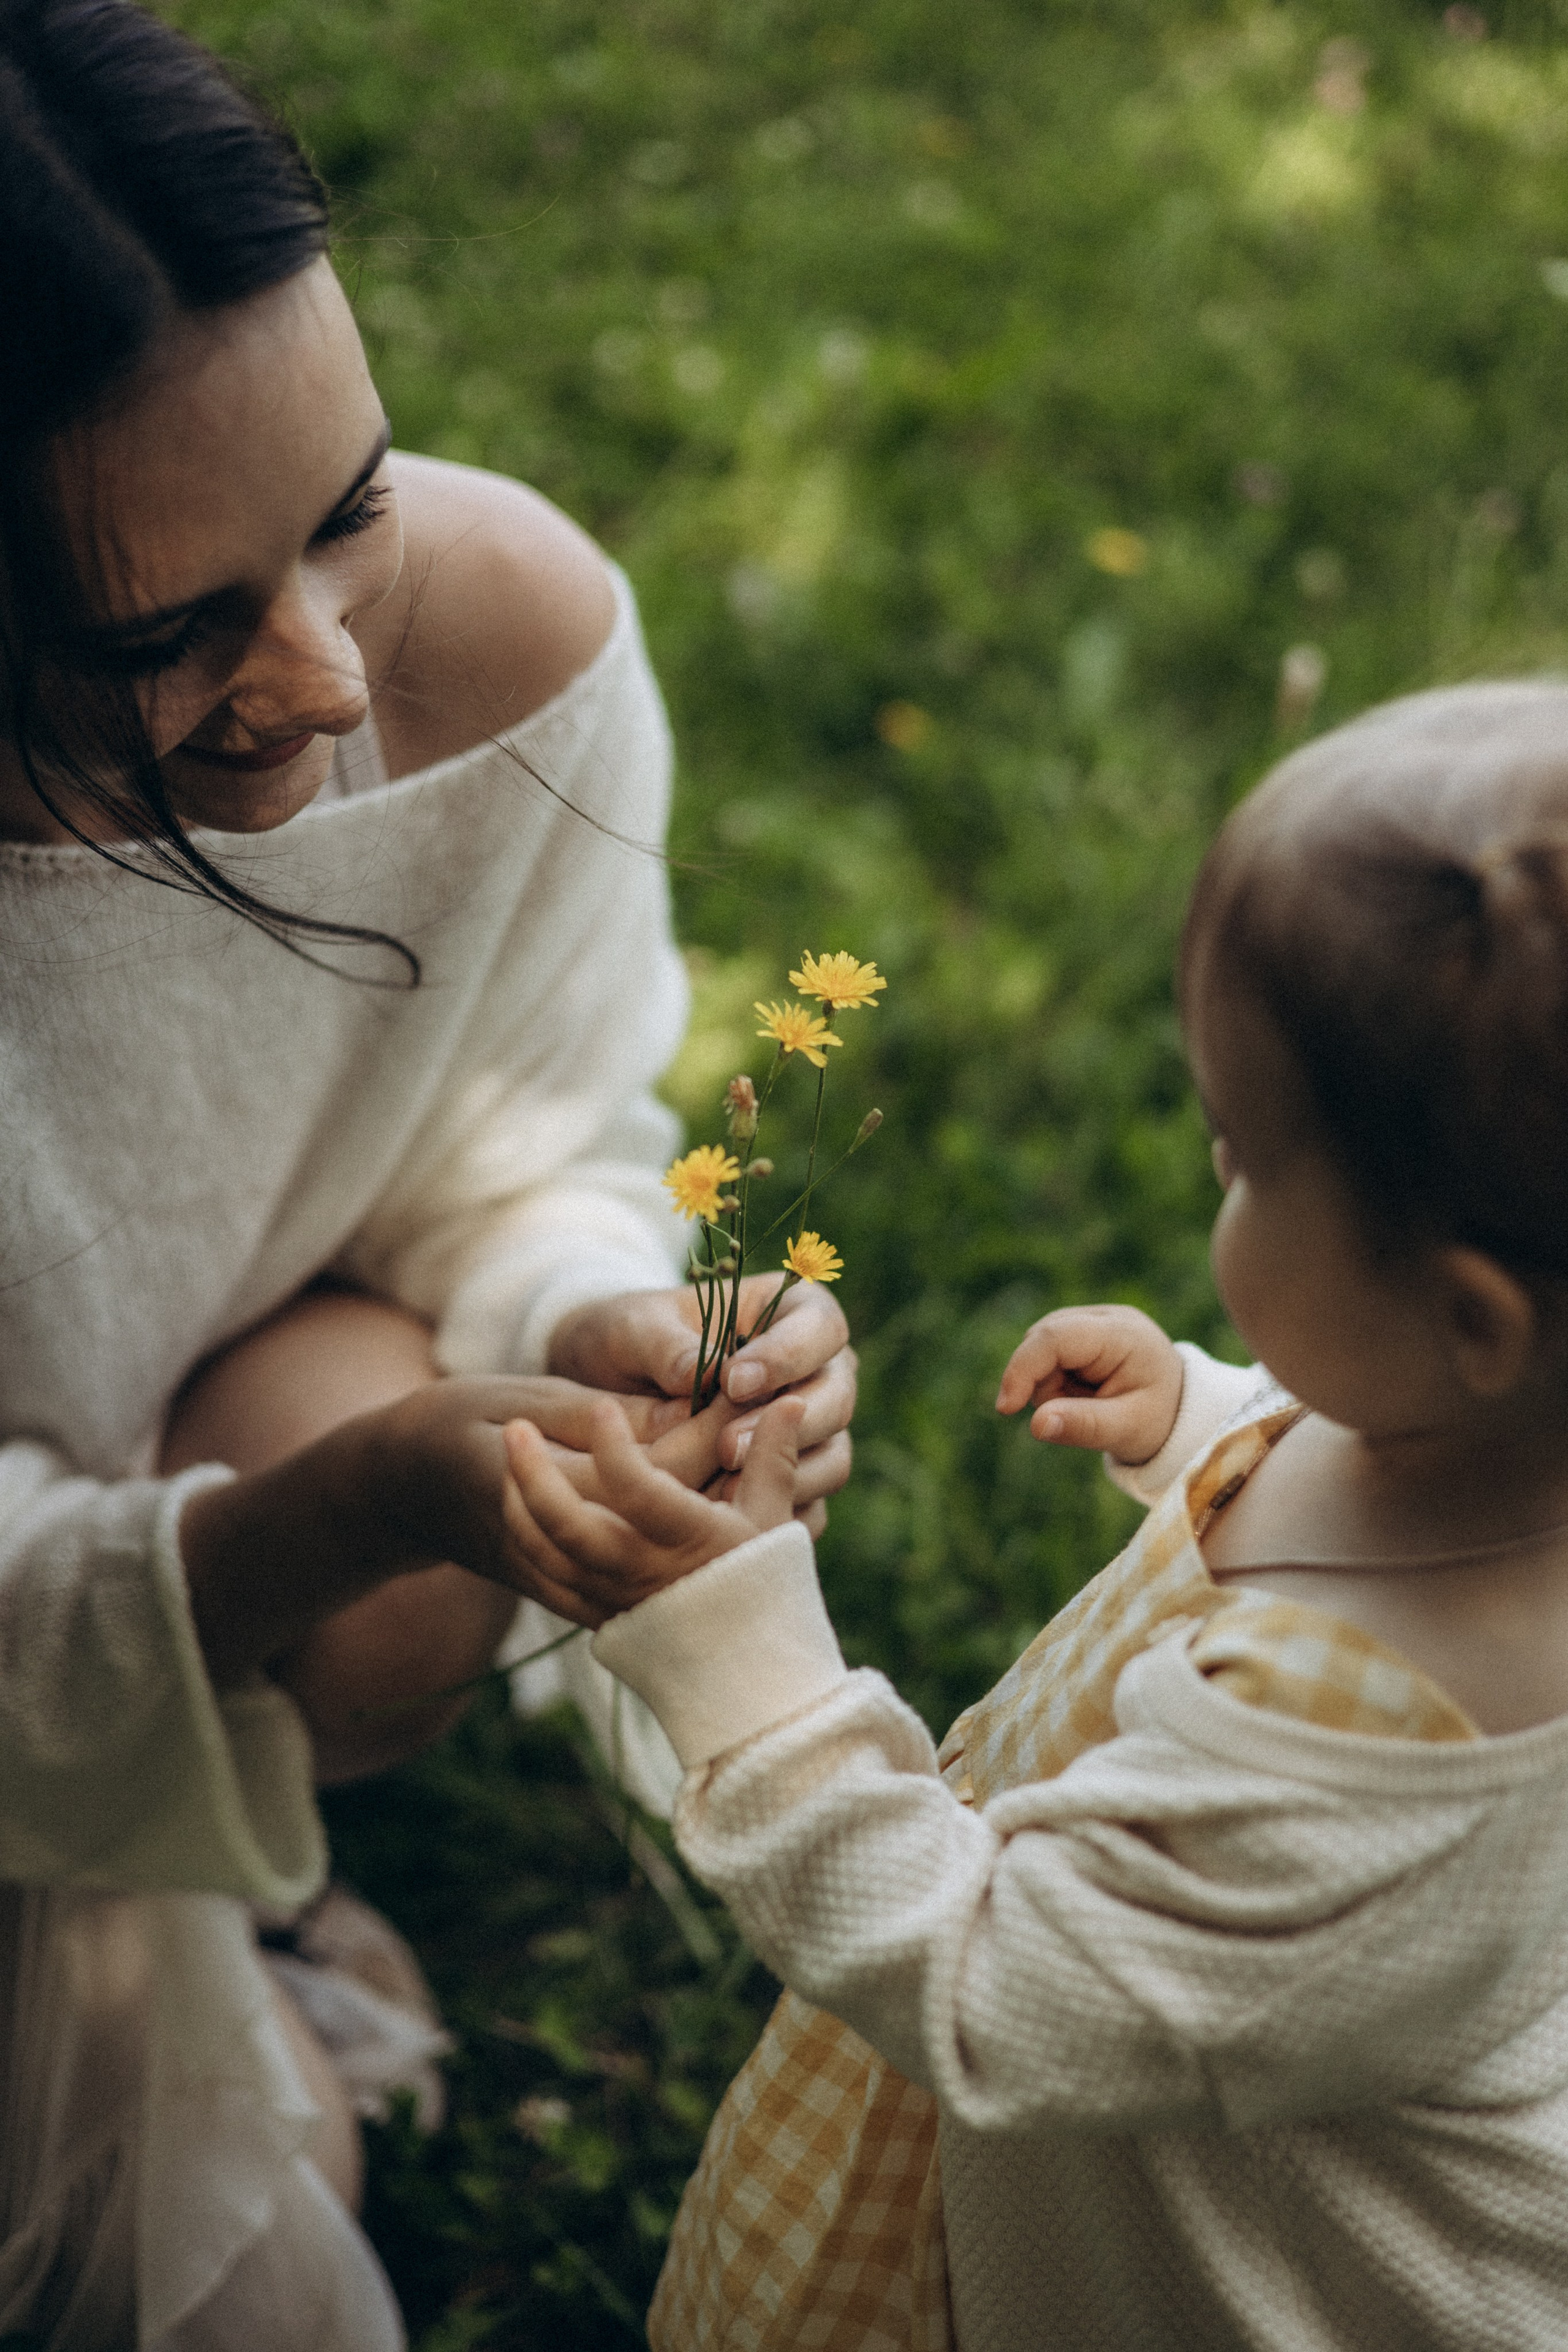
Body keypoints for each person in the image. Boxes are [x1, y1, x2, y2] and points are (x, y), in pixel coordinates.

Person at [0, 1, 856, 2342]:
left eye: (348, 504)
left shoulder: (501, 646)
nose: (326, 676)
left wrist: (585, 1319)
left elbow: (528, 1144)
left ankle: (232, 1881)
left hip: (167, 1500)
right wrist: (337, 1504)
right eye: (163, 633)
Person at [507, 679, 1568, 2350]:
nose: (1214, 1180)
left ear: (1474, 1320)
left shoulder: (1361, 1774)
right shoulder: (1494, 1456)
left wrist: (749, 1664)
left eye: (1239, 1160)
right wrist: (1210, 1425)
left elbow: (999, 1991)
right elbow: (1353, 1464)